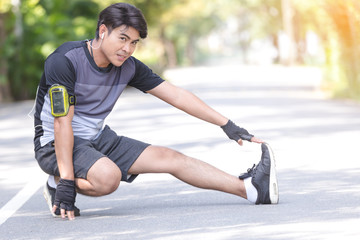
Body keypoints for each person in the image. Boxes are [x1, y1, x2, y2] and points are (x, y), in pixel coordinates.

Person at [33, 2, 279, 221]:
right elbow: (62, 123)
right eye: (122, 38)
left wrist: (226, 124)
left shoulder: (128, 67)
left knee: (170, 158)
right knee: (109, 177)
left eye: (134, 43)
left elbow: (177, 95)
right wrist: (66, 180)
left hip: (97, 139)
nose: (127, 49)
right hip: (55, 144)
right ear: (103, 30)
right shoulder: (64, 60)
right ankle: (55, 182)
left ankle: (250, 189)